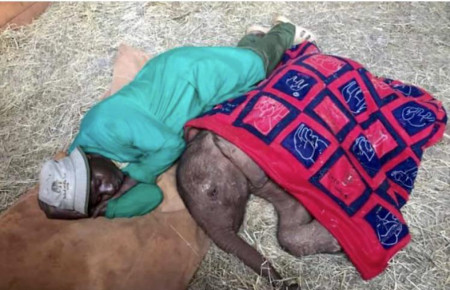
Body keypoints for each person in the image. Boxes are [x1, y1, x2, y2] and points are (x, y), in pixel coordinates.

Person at [38, 16, 316, 219]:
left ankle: (285, 28)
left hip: (187, 76)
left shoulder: (103, 125)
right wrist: (106, 210)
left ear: (84, 161)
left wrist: (135, 176)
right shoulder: (102, 165)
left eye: (96, 183)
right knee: (245, 84)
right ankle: (254, 37)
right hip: (194, 103)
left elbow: (171, 145)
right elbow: (153, 196)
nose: (109, 187)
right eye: (98, 197)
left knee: (256, 68)